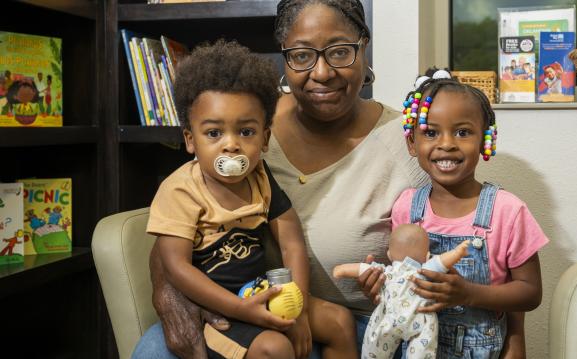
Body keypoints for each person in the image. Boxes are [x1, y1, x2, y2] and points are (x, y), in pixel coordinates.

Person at [133, 1, 430, 358]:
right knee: (153, 350)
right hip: (241, 301)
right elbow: (177, 235)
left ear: (362, 47)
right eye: (302, 55)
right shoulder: (241, 114)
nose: (321, 72)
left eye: (339, 51)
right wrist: (168, 294)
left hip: (364, 322)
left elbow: (464, 233)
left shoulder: (410, 143)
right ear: (284, 57)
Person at [143, 39, 357, 359]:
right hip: (218, 308)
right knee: (275, 348)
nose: (231, 146)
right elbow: (176, 267)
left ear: (265, 137)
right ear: (190, 140)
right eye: (214, 133)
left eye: (245, 132)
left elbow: (291, 243)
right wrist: (242, 310)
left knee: (339, 321)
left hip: (261, 291)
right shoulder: (179, 191)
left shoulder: (259, 177)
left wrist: (295, 303)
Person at [389, 71, 548, 358]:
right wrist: (378, 283)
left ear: (486, 140)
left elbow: (530, 292)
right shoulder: (406, 208)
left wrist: (468, 294)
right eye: (431, 132)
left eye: (462, 132)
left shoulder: (508, 210)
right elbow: (400, 284)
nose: (447, 143)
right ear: (412, 143)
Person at [333, 224, 470, 359]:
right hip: (420, 321)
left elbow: (362, 268)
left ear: (389, 255)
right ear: (427, 256)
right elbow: (442, 261)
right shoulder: (425, 271)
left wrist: (341, 270)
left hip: (388, 320)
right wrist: (458, 252)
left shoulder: (385, 272)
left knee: (374, 349)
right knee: (422, 351)